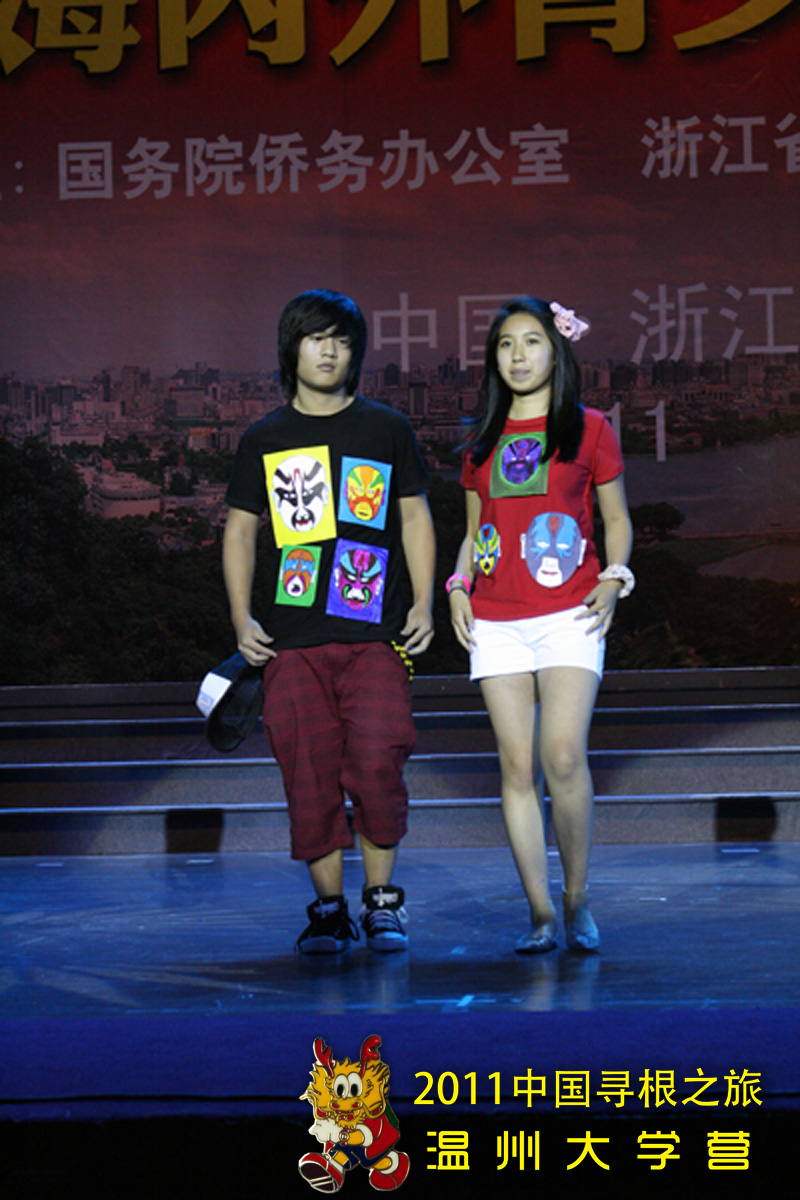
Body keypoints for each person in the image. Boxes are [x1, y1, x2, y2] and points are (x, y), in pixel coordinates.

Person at [223, 289, 435, 954]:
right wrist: (241, 617)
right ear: (292, 349)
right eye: (317, 338)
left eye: (342, 341)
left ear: (356, 353)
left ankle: (382, 904)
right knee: (308, 772)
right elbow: (240, 531)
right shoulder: (264, 437)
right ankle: (328, 910)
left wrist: (423, 602)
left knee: (378, 761)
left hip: (376, 634)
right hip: (291, 641)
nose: (329, 351)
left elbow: (414, 516)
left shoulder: (386, 428)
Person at [448, 296, 633, 954]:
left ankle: (577, 897)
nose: (518, 355)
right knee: (516, 766)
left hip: (571, 612)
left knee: (561, 754)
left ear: (557, 352)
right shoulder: (481, 440)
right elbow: (474, 535)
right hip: (496, 619)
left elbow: (617, 519)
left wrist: (615, 576)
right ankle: (540, 913)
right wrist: (457, 586)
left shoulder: (589, 429)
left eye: (531, 341)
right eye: (505, 344)